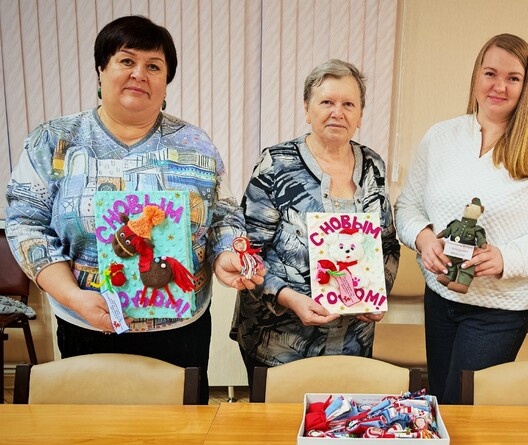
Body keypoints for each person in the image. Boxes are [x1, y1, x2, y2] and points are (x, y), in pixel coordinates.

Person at [4, 15, 263, 404]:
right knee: (96, 425)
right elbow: (25, 224)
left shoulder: (194, 143)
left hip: (180, 329)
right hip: (87, 322)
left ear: (166, 81)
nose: (139, 73)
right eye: (126, 60)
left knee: (180, 425)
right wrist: (72, 296)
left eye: (153, 66)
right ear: (101, 69)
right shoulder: (54, 140)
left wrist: (226, 254)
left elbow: (223, 215)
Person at [395, 34, 528, 404]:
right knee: (440, 401)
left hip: (500, 309)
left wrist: (505, 259)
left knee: (462, 408)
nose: (499, 86)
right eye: (491, 73)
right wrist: (424, 239)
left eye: (513, 78)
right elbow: (408, 207)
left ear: (526, 85)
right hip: (440, 298)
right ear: (476, 76)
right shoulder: (440, 137)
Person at [233, 59, 400, 384]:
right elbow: (247, 252)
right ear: (307, 109)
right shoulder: (276, 164)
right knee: (279, 417)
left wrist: (377, 293)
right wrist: (288, 297)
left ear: (360, 115)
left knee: (341, 413)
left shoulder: (373, 167)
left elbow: (388, 244)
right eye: (327, 102)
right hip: (279, 343)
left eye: (348, 104)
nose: (338, 112)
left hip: (353, 341)